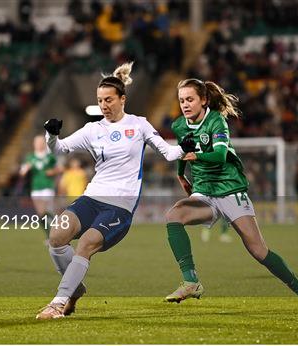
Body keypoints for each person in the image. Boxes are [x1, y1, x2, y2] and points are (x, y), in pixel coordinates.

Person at [36, 62, 187, 319]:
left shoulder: (139, 125)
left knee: (85, 244)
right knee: (56, 235)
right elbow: (59, 149)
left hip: (120, 205)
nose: (104, 105)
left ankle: (58, 303)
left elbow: (170, 153)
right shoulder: (93, 129)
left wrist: (185, 147)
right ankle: (75, 290)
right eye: (100, 100)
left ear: (122, 99)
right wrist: (51, 135)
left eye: (108, 100)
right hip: (92, 197)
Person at [165, 78, 298, 311]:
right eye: (181, 101)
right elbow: (184, 149)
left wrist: (196, 157)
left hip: (230, 189)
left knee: (258, 250)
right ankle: (191, 281)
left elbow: (220, 155)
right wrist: (181, 175)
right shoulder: (179, 125)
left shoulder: (217, 122)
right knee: (173, 216)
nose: (185, 105)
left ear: (204, 100)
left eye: (190, 99)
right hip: (204, 192)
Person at [19, 135, 61, 240]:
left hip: (47, 186)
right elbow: (22, 172)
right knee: (41, 214)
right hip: (36, 188)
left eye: (40, 142)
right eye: (36, 142)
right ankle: (51, 234)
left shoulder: (49, 157)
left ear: (44, 143)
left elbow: (59, 169)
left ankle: (56, 233)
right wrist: (25, 169)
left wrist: (52, 171)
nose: (38, 144)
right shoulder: (30, 157)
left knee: (47, 210)